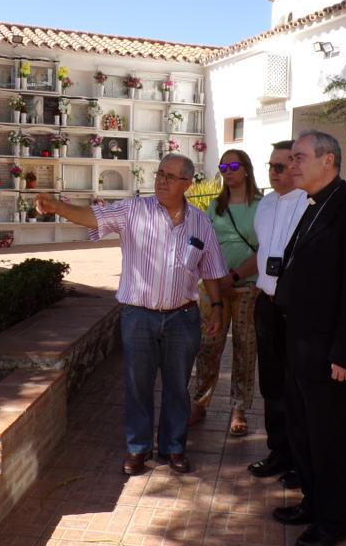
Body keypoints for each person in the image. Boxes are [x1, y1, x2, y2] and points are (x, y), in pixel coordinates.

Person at [34, 153, 228, 476]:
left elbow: (210, 270)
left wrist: (219, 308)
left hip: (183, 318)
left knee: (177, 386)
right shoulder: (133, 211)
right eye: (160, 173)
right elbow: (92, 217)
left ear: (187, 184)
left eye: (171, 176)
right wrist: (57, 207)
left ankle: (174, 447)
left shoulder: (200, 222)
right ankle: (138, 448)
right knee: (138, 384)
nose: (162, 181)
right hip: (139, 316)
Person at [271, 130, 346, 546]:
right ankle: (313, 502)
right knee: (302, 430)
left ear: (329, 161)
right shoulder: (315, 205)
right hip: (300, 343)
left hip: (331, 353)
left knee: (331, 438)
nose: (292, 165)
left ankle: (334, 520)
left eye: (299, 157)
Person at [247, 140, 306, 487]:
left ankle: (301, 460)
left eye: (280, 167)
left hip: (296, 308)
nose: (273, 172)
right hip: (266, 304)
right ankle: (278, 452)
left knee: (297, 385)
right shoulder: (266, 204)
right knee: (271, 384)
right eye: (270, 166)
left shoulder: (309, 204)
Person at [190, 149, 261, 437]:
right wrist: (216, 280)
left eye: (233, 165)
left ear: (246, 169)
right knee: (208, 346)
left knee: (245, 349)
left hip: (246, 287)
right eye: (223, 166)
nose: (227, 171)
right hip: (214, 289)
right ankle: (199, 402)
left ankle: (239, 409)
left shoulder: (262, 206)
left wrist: (235, 275)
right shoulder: (214, 207)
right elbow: (206, 246)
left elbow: (266, 248)